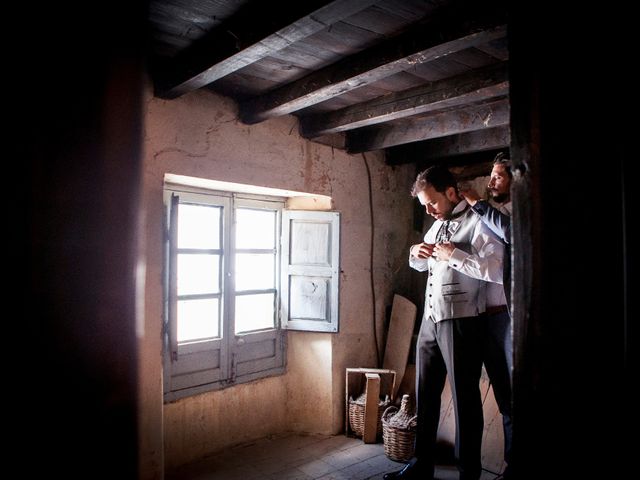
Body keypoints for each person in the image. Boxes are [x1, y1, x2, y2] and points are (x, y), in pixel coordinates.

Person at [384, 165, 503, 480]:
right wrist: (415, 252)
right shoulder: (435, 226)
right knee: (426, 393)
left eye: (432, 202)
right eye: (424, 205)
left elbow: (497, 271)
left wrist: (455, 256)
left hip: (463, 321)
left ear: (451, 193)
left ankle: (469, 473)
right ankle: (421, 464)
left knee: (465, 399)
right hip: (431, 319)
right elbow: (420, 264)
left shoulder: (480, 223)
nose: (428, 210)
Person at [459, 152, 513, 480]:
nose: (491, 181)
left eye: (498, 176)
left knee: (510, 397)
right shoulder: (483, 214)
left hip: (506, 316)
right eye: (491, 175)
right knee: (489, 392)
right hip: (480, 314)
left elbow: (507, 232)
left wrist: (479, 203)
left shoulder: (512, 212)